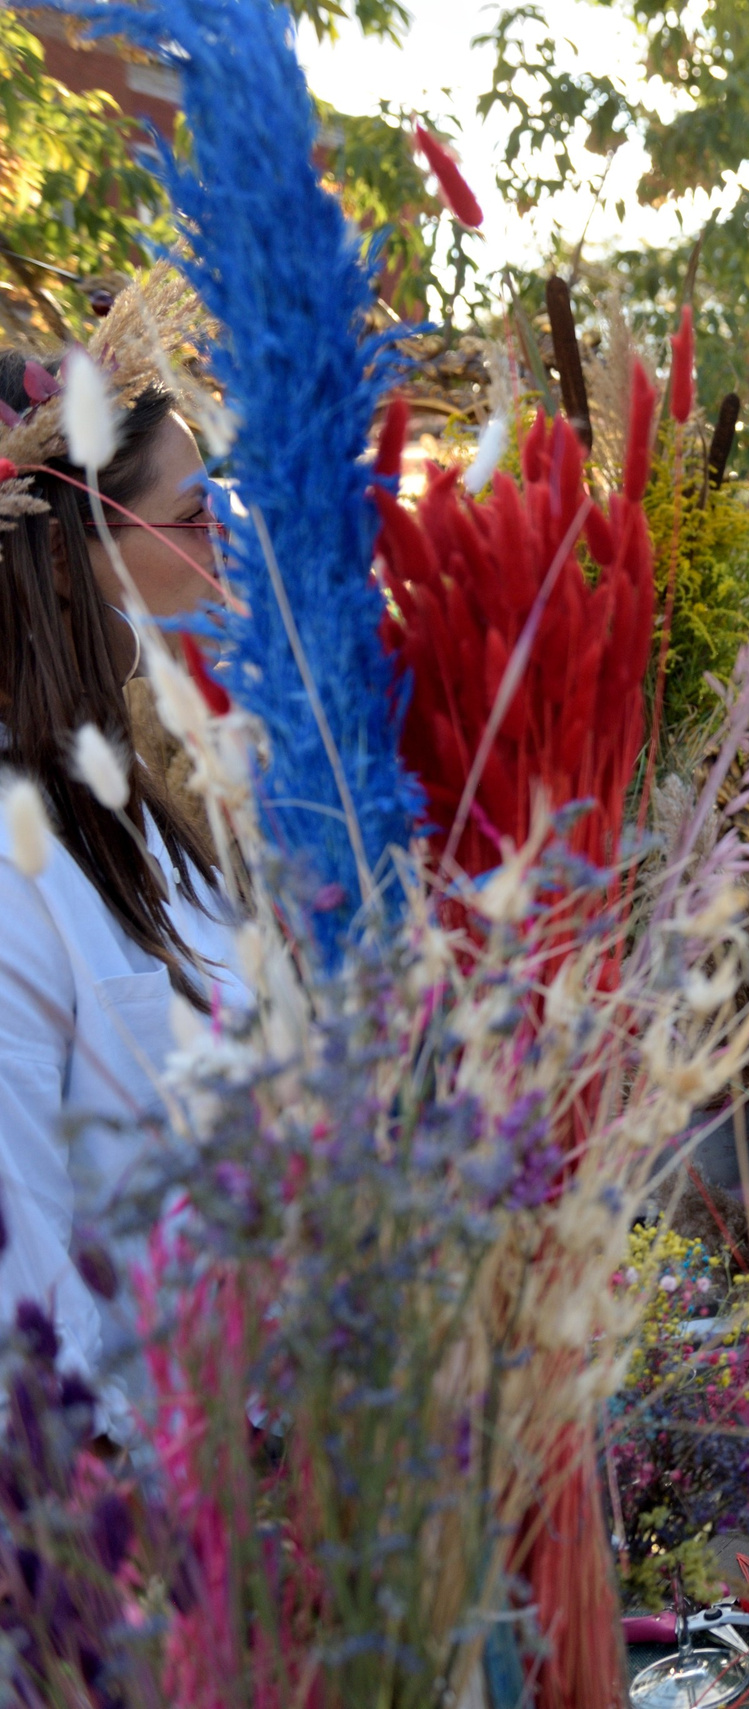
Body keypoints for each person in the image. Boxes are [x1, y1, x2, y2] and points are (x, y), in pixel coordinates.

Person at [0, 319, 241, 1382]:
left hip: (231, 1435)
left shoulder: (125, 801)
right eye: (192, 512)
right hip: (118, 1489)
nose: (223, 533)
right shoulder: (17, 851)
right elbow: (22, 1228)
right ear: (62, 552)